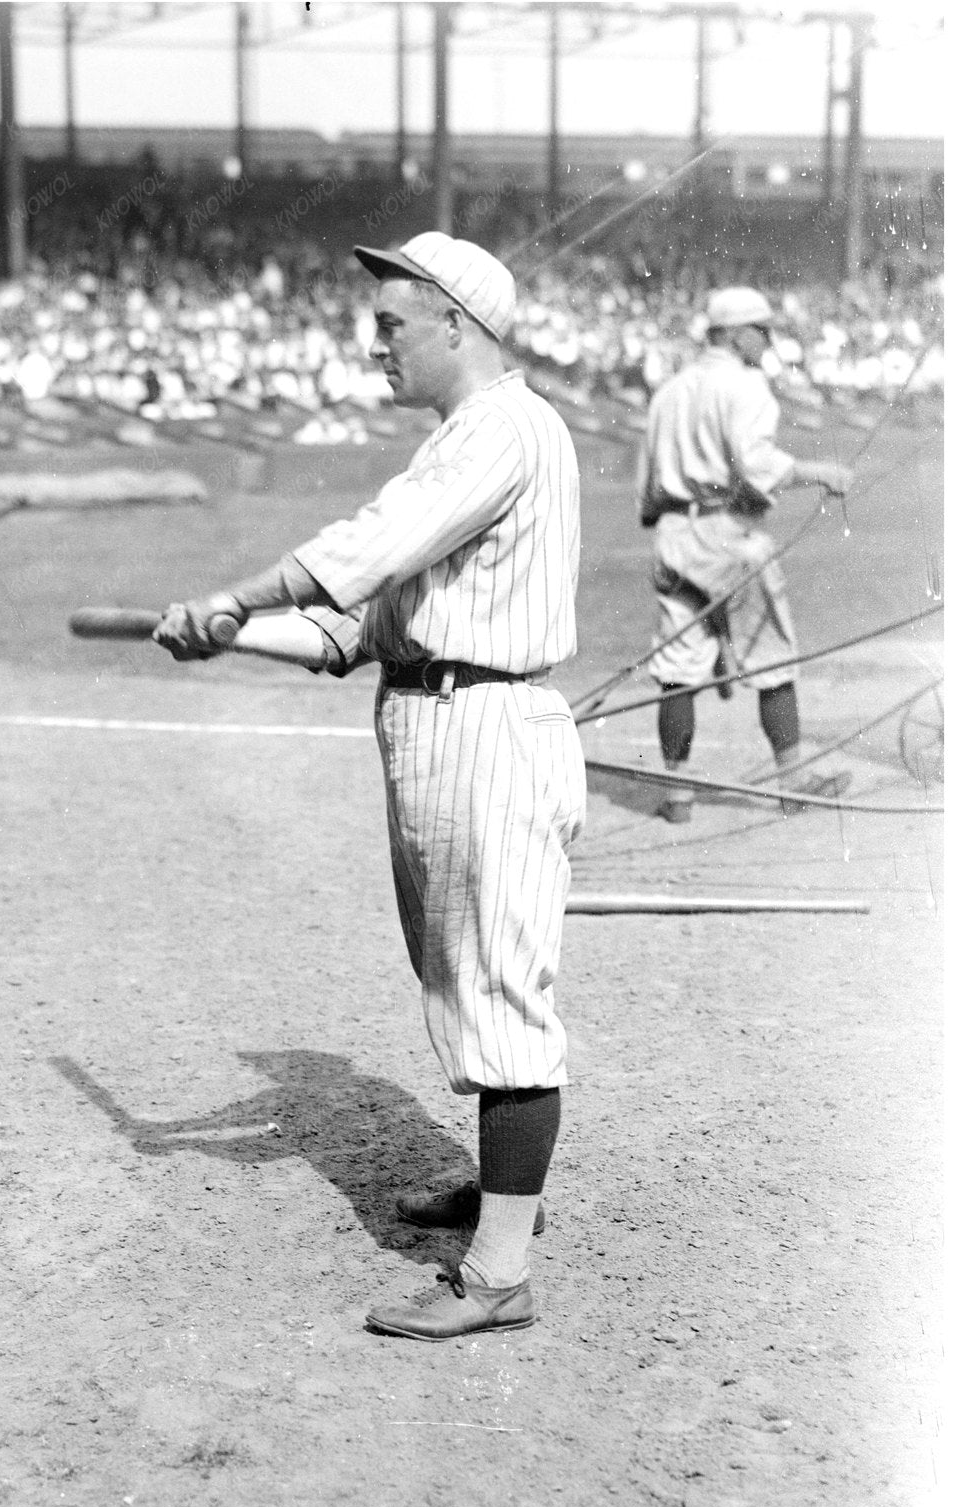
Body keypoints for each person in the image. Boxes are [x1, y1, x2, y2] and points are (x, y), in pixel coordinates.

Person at [153, 231, 586, 1342]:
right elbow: (359, 625)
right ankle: (498, 1202)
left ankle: (497, 1273)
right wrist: (231, 637)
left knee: (499, 993)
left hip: (487, 722)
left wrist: (238, 594)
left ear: (457, 321)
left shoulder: (504, 427)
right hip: (437, 717)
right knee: (459, 975)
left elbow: (371, 546)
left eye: (392, 322)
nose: (374, 341)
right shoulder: (459, 441)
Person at [637, 286, 854, 822]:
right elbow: (756, 463)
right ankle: (792, 785)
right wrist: (820, 472)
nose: (769, 341)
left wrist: (671, 526)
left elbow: (645, 487)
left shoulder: (670, 389)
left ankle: (678, 798)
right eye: (762, 330)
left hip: (673, 533)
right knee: (773, 660)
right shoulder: (746, 384)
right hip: (729, 532)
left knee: (677, 667)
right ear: (735, 335)